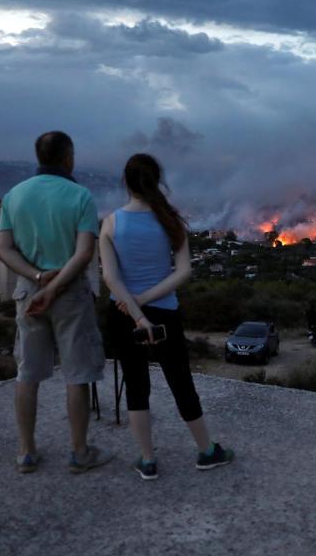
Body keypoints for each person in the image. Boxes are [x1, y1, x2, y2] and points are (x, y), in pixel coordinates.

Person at [99, 153, 233, 481]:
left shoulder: (112, 222)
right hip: (164, 313)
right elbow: (183, 272)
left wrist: (134, 306)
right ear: (157, 181)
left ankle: (147, 460)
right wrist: (146, 300)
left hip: (122, 313)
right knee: (180, 382)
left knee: (136, 384)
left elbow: (111, 279)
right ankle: (206, 451)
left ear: (126, 182)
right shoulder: (171, 221)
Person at [0, 130, 111, 474]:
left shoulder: (14, 196)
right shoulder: (80, 196)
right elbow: (84, 253)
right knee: (77, 374)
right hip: (70, 295)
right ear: (68, 156)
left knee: (27, 373)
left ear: (38, 157)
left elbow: (2, 249)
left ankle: (26, 452)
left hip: (29, 294)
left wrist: (37, 279)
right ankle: (79, 453)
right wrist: (55, 284)